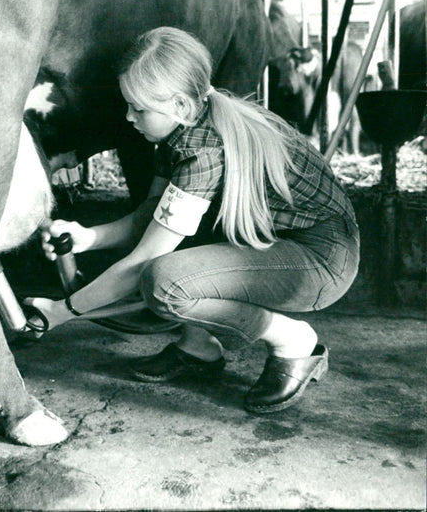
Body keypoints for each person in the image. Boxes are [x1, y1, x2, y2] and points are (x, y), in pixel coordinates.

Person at [25, 27, 360, 414]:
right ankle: (198, 346)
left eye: (139, 108)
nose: (129, 117)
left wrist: (61, 312)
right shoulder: (182, 131)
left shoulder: (201, 153)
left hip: (322, 259)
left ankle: (294, 342)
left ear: (180, 106)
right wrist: (88, 237)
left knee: (164, 283)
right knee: (175, 238)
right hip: (281, 242)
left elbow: (139, 266)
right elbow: (150, 218)